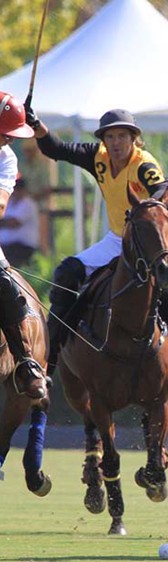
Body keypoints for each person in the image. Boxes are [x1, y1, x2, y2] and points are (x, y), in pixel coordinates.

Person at [24, 106, 168, 379]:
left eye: (122, 136)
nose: (116, 143)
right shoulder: (98, 157)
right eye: (110, 137)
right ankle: (51, 354)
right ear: (103, 140)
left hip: (146, 241)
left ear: (134, 138)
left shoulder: (144, 164)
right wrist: (37, 127)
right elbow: (56, 149)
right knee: (66, 272)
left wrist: (149, 208)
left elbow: (163, 189)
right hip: (116, 239)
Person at [0, 91, 48, 399]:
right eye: (4, 135)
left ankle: (26, 360)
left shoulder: (7, 159)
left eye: (10, 136)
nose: (8, 141)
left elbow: (1, 206)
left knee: (5, 281)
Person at [0, 174, 39, 267]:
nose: (15, 192)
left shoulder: (28, 204)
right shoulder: (9, 204)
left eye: (18, 189)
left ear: (23, 190)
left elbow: (14, 223)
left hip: (22, 247)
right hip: (7, 246)